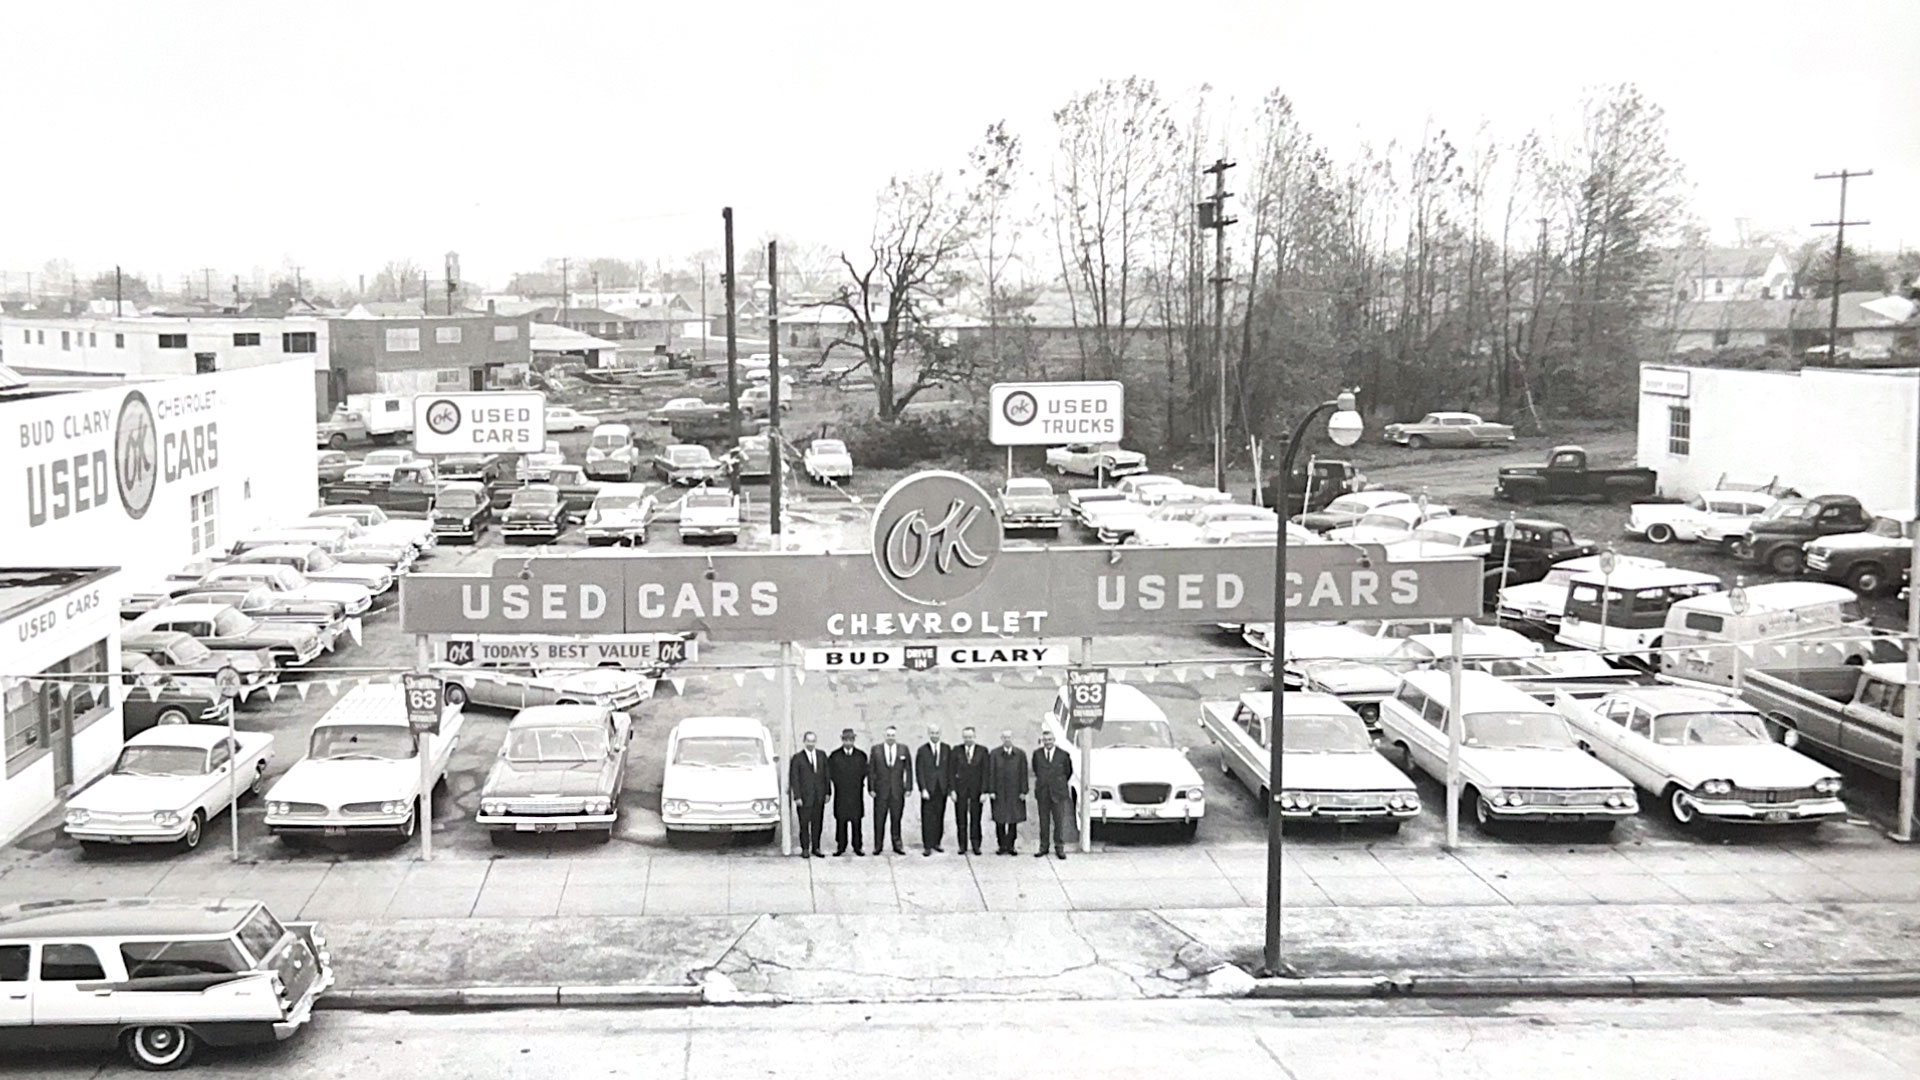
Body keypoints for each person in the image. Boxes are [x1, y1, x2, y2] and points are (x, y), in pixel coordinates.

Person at [867, 725, 912, 855]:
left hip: (897, 791)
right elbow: (871, 770)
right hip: (881, 791)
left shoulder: (903, 749)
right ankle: (878, 845)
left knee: (896, 819)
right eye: (888, 735)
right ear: (884, 736)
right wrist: (871, 788)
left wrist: (908, 787)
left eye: (893, 735)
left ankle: (897, 844)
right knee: (879, 819)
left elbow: (908, 769)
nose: (890, 738)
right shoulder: (876, 750)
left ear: (895, 736)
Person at [1031, 728, 1073, 860]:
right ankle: (1044, 847)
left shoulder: (1063, 755)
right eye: (1045, 740)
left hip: (1058, 794)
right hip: (1043, 793)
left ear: (1054, 740)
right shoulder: (1037, 754)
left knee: (1059, 822)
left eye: (1050, 740)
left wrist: (1058, 784)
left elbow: (1068, 772)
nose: (1047, 742)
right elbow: (1036, 770)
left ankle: (1059, 847)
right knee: (1044, 822)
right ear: (1042, 741)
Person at [825, 729, 868, 856]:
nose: (848, 742)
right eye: (846, 740)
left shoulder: (861, 756)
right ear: (842, 740)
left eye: (850, 740)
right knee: (841, 821)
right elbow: (830, 773)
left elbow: (864, 772)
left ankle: (857, 846)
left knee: (856, 822)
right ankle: (841, 846)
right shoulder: (835, 756)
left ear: (854, 740)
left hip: (856, 794)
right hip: (841, 794)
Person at [948, 726, 988, 856]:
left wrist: (984, 791)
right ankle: (962, 845)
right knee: (961, 819)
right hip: (961, 791)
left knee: (976, 819)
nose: (968, 740)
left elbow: (986, 773)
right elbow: (951, 772)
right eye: (965, 737)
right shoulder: (956, 751)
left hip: (976, 791)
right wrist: (952, 790)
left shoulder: (982, 751)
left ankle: (976, 845)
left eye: (970, 737)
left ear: (974, 737)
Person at [986, 729, 1028, 856]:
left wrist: (1023, 791)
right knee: (999, 819)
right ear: (1001, 739)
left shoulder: (1020, 754)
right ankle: (1001, 845)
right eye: (1004, 737)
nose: (1007, 740)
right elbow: (990, 773)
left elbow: (1023, 774)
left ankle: (1011, 845)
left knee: (1013, 820)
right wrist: (991, 790)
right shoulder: (994, 754)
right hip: (999, 792)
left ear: (1012, 738)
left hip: (1014, 792)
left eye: (1009, 737)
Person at [787, 730, 828, 858]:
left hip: (818, 797)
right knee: (804, 824)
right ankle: (805, 848)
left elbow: (826, 775)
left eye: (812, 741)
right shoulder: (797, 758)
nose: (811, 743)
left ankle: (816, 847)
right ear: (804, 742)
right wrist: (797, 796)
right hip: (804, 798)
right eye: (808, 741)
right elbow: (795, 778)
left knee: (817, 824)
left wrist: (827, 792)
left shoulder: (821, 755)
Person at [914, 724, 951, 856]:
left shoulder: (946, 749)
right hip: (928, 790)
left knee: (939, 815)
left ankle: (937, 842)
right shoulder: (922, 750)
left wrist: (950, 788)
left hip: (941, 788)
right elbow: (919, 771)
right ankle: (927, 845)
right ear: (929, 734)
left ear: (940, 733)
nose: (934, 735)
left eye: (937, 733)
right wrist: (923, 788)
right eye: (932, 733)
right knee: (927, 816)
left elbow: (950, 770)